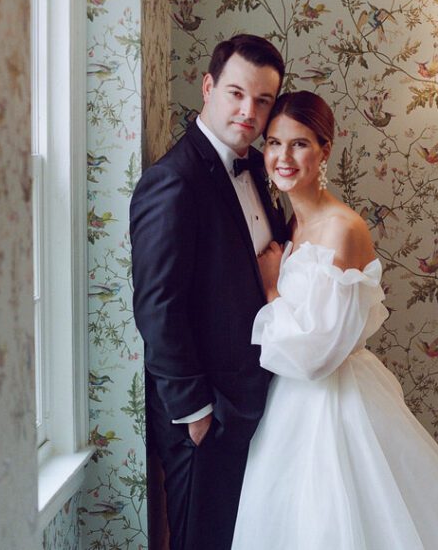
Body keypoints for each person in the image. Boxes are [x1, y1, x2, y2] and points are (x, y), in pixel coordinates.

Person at [231, 91, 438, 550]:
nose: (283, 157)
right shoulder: (290, 223)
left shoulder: (344, 229)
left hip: (335, 400)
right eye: (273, 143)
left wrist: (270, 288)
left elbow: (317, 355)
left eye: (299, 144)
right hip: (289, 406)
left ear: (325, 150)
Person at [130, 34, 288, 550]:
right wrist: (197, 414)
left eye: (263, 100)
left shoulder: (257, 168)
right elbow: (158, 309)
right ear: (208, 87)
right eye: (237, 93)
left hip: (256, 403)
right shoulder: (173, 181)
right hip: (208, 418)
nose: (249, 111)